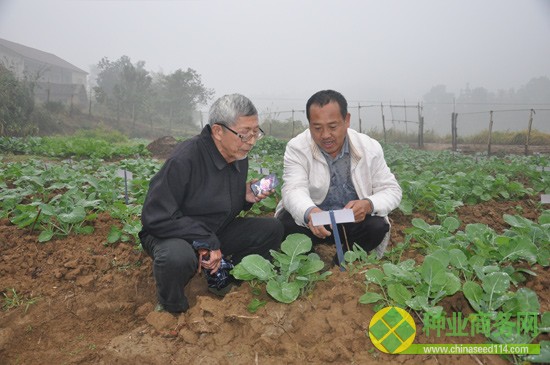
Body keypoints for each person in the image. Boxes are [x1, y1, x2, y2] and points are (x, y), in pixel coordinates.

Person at [140, 93, 284, 314]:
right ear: (218, 131)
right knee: (176, 257)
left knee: (272, 228)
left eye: (256, 132)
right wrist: (205, 240)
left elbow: (218, 202)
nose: (252, 141)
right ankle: (172, 308)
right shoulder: (185, 159)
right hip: (173, 234)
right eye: (244, 134)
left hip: (214, 231)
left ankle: (229, 280)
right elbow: (156, 217)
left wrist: (244, 197)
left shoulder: (238, 156)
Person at [275, 89, 401, 260]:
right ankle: (309, 263)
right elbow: (292, 189)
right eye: (317, 128)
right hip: (315, 223)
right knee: (284, 224)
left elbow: (392, 190)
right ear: (309, 124)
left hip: (353, 222)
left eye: (333, 127)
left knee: (377, 227)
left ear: (347, 120)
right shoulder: (297, 147)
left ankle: (343, 262)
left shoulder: (369, 147)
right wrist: (310, 212)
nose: (325, 135)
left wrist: (367, 204)